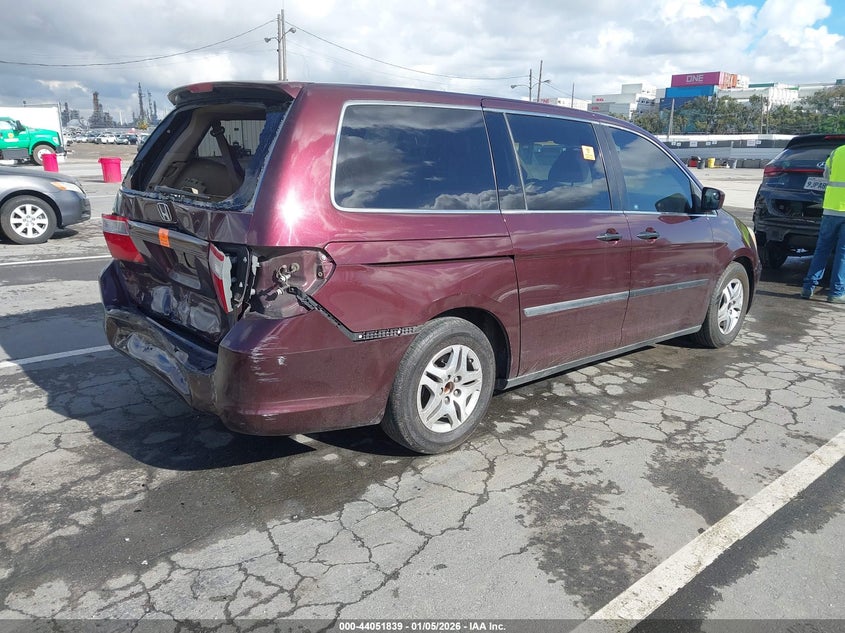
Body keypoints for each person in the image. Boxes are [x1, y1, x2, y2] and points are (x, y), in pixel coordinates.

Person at [801, 143, 845, 303]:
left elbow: (826, 176)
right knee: (843, 253)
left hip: (831, 208)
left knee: (822, 249)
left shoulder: (837, 152)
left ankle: (808, 287)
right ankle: (836, 293)